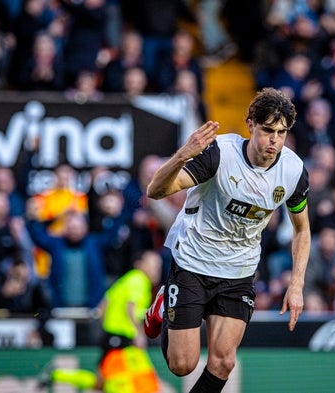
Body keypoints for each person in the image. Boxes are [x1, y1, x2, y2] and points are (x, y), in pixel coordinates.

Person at [143, 87, 311, 392]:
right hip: (194, 262)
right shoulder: (219, 154)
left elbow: (302, 230)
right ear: (250, 124)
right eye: (268, 130)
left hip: (239, 271)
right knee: (183, 365)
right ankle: (163, 300)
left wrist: (296, 284)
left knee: (224, 362)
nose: (275, 140)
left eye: (282, 133)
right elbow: (155, 191)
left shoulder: (293, 171)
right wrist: (183, 154)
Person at [37, 249, 163, 392]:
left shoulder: (125, 280)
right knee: (144, 384)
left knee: (100, 383)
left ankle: (56, 375)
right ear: (139, 264)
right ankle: (56, 375)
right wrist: (138, 333)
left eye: (158, 266)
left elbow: (103, 303)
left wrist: (105, 326)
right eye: (153, 264)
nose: (156, 270)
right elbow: (131, 307)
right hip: (124, 341)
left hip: (111, 337)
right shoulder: (139, 280)